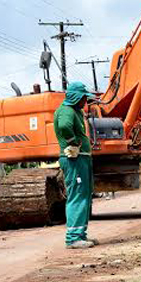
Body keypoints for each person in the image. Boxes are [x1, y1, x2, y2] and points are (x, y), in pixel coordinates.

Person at [54, 82, 96, 249]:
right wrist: (72, 142)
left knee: (84, 195)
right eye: (84, 97)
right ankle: (72, 238)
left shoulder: (75, 111)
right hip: (74, 160)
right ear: (76, 97)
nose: (85, 100)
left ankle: (80, 235)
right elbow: (64, 126)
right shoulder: (66, 111)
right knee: (77, 195)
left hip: (81, 158)